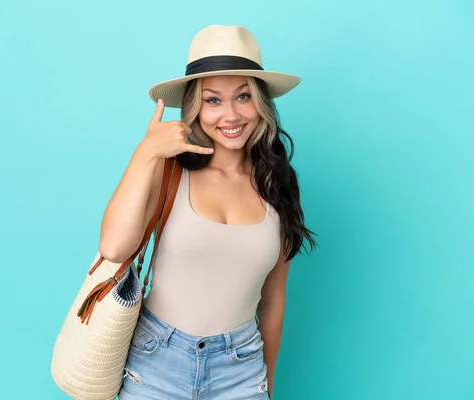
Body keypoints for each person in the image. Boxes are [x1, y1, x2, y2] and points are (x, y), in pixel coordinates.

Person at [99, 25, 317, 400]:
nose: (230, 115)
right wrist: (146, 152)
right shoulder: (169, 170)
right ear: (195, 107)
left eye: (243, 96)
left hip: (242, 369)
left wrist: (267, 384)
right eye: (213, 100)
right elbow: (115, 248)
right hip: (155, 364)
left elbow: (274, 297)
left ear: (261, 102)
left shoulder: (278, 183)